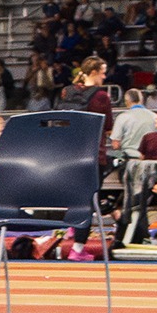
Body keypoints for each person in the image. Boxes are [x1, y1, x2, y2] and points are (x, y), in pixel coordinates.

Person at [57, 56, 113, 261]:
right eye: (103, 72)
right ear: (94, 72)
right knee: (88, 200)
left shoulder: (67, 91)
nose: (105, 77)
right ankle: (78, 249)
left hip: (69, 153)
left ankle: (72, 227)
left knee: (74, 195)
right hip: (92, 155)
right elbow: (108, 127)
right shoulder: (101, 96)